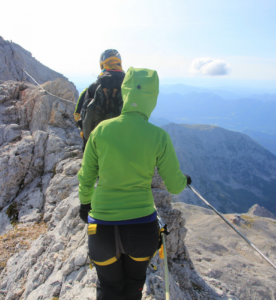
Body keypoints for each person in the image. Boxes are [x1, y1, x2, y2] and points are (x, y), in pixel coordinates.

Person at [78, 67, 191, 300]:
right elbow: (174, 186)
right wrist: (184, 180)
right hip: (142, 231)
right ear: (153, 98)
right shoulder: (159, 136)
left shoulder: (101, 131)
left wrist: (84, 204)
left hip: (101, 230)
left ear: (125, 93)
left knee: (108, 287)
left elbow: (86, 177)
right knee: (134, 285)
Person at [74, 49, 125, 151]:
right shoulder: (129, 87)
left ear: (102, 65)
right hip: (123, 147)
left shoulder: (92, 88)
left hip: (95, 148)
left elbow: (77, 116)